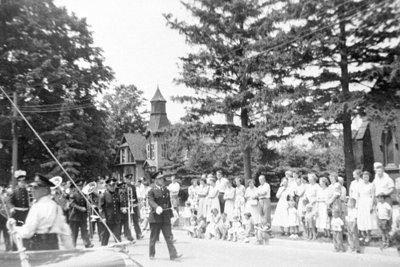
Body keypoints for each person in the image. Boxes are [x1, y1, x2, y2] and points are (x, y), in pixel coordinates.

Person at [8, 173, 73, 251]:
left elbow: (28, 232)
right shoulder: (56, 207)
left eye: (36, 188)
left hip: (39, 246)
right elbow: (65, 231)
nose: (32, 190)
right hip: (54, 246)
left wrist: (14, 229)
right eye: (32, 188)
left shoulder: (37, 207)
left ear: (45, 190)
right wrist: (70, 250)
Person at [148, 173, 182, 261]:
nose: (162, 181)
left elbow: (168, 203)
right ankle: (151, 254)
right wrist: (156, 207)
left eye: (162, 179)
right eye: (160, 179)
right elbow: (150, 201)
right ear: (155, 180)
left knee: (168, 236)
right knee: (154, 237)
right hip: (156, 217)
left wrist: (172, 213)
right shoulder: (152, 190)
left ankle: (173, 254)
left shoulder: (166, 190)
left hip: (165, 217)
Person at [68, 179, 93, 248]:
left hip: (82, 216)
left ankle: (87, 243)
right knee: (74, 232)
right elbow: (72, 204)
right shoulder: (73, 194)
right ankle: (72, 245)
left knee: (84, 230)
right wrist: (80, 208)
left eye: (81, 186)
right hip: (74, 216)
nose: (80, 187)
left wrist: (88, 200)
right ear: (76, 186)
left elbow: (87, 204)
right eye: (79, 186)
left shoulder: (84, 194)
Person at [99, 178, 122, 246]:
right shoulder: (103, 195)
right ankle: (103, 251)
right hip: (107, 219)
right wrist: (103, 217)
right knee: (105, 237)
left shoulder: (117, 194)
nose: (112, 187)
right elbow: (100, 208)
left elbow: (118, 207)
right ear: (107, 186)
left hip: (116, 219)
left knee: (117, 236)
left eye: (113, 186)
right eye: (110, 186)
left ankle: (121, 250)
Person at [357, 171, 376, 244]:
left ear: (369, 177)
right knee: (362, 219)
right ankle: (363, 235)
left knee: (368, 218)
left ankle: (369, 235)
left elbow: (373, 196)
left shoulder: (371, 185)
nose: (365, 178)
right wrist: (357, 205)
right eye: (364, 177)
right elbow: (358, 195)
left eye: (367, 177)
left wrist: (371, 205)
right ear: (362, 177)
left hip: (368, 202)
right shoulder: (360, 185)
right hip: (361, 203)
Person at [124, 174, 143, 240]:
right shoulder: (123, 186)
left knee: (136, 220)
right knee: (127, 221)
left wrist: (136, 203)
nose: (129, 180)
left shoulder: (133, 186)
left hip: (133, 205)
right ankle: (128, 234)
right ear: (125, 179)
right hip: (127, 205)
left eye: (130, 179)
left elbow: (134, 195)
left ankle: (138, 234)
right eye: (128, 179)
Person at [0, 187, 12, 251]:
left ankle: (8, 247)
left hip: (4, 217)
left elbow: (7, 204)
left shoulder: (4, 196)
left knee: (6, 233)